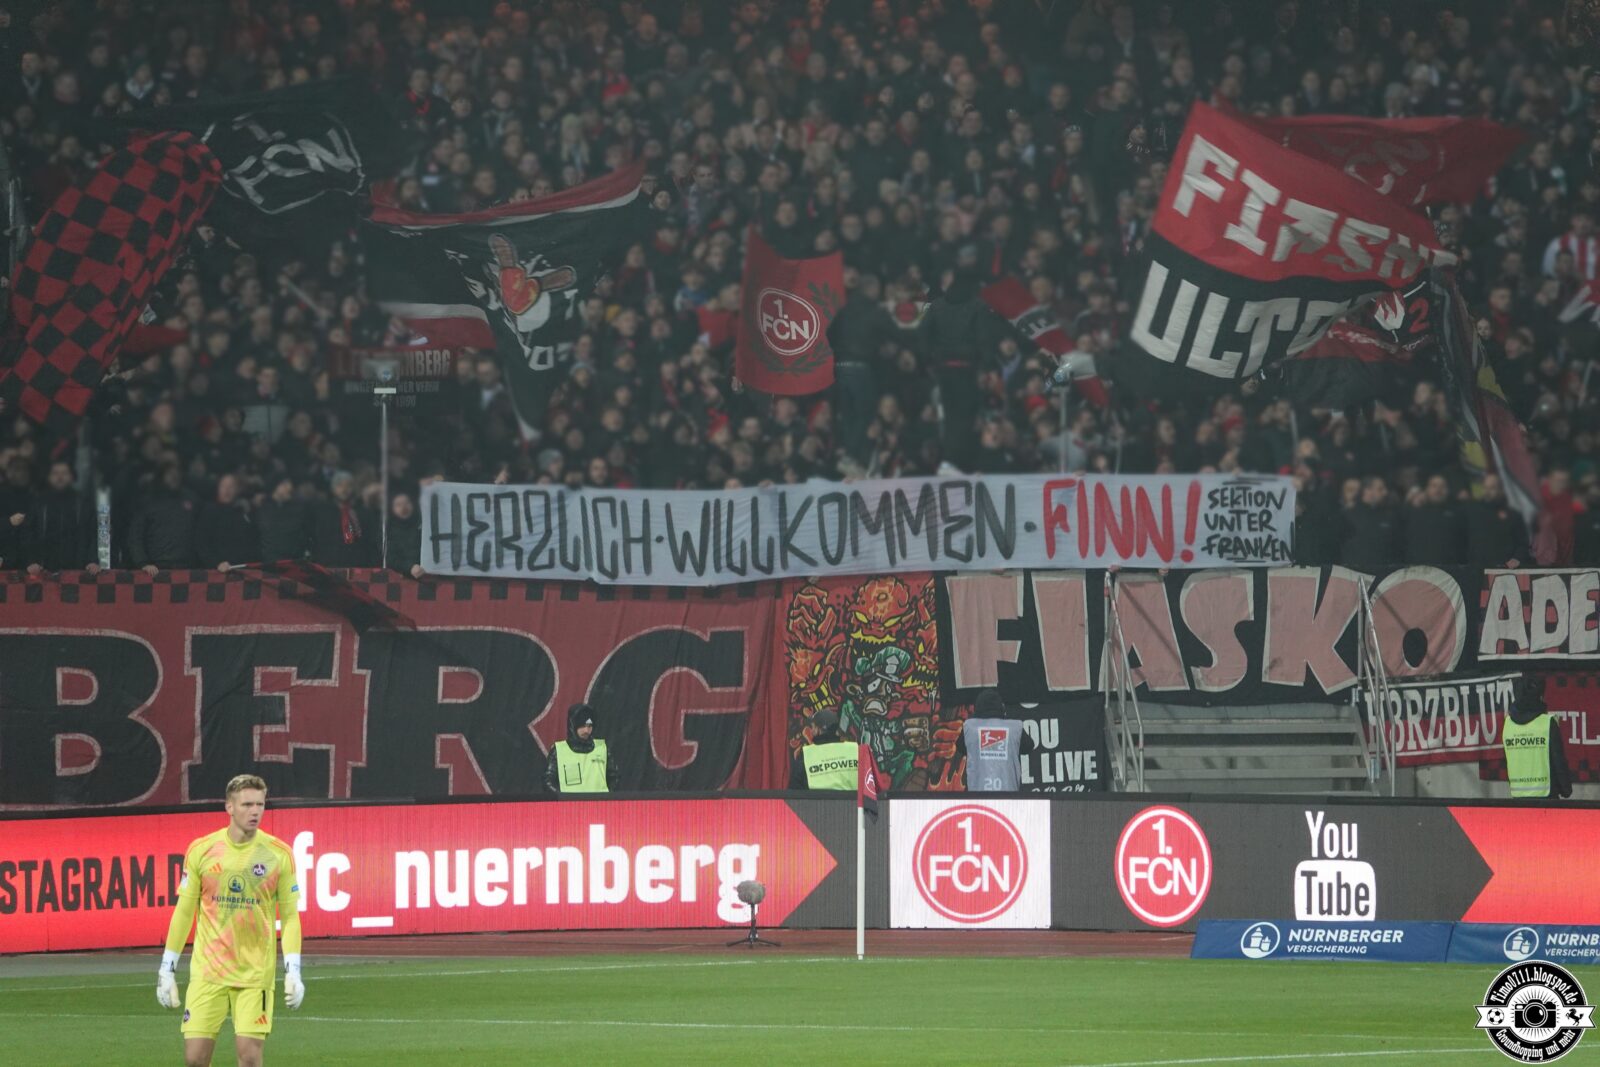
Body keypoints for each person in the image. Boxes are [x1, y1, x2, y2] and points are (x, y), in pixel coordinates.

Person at [157, 774, 303, 1067]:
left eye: (260, 804)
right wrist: (166, 969)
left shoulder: (278, 854)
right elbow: (184, 911)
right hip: (208, 972)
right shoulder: (202, 850)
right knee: (194, 1060)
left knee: (249, 1058)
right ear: (229, 807)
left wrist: (294, 971)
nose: (255, 811)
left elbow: (289, 916)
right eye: (247, 804)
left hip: (254, 974)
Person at [1502, 676, 1574, 800]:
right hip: (1547, 799)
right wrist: (1566, 789)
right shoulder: (1547, 723)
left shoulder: (1507, 724)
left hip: (1518, 800)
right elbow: (1558, 760)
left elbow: (1508, 762)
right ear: (1539, 697)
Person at [545, 702, 618, 794]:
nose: (586, 730)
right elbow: (548, 781)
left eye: (589, 726)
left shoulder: (602, 748)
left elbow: (614, 778)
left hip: (599, 806)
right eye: (582, 726)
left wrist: (607, 797)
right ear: (573, 726)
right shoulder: (559, 751)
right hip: (570, 807)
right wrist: (562, 799)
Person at [788, 709, 858, 790]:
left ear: (819, 729)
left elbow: (794, 793)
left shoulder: (807, 754)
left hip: (816, 802)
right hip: (852, 802)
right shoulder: (854, 749)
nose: (812, 730)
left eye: (813, 726)